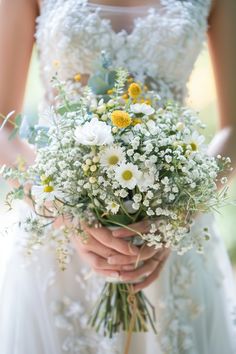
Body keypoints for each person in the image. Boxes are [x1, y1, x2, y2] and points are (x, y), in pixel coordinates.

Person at [0, 0, 236, 353]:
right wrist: (62, 211)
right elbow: (3, 125)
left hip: (173, 238)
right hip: (58, 243)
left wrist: (179, 214)